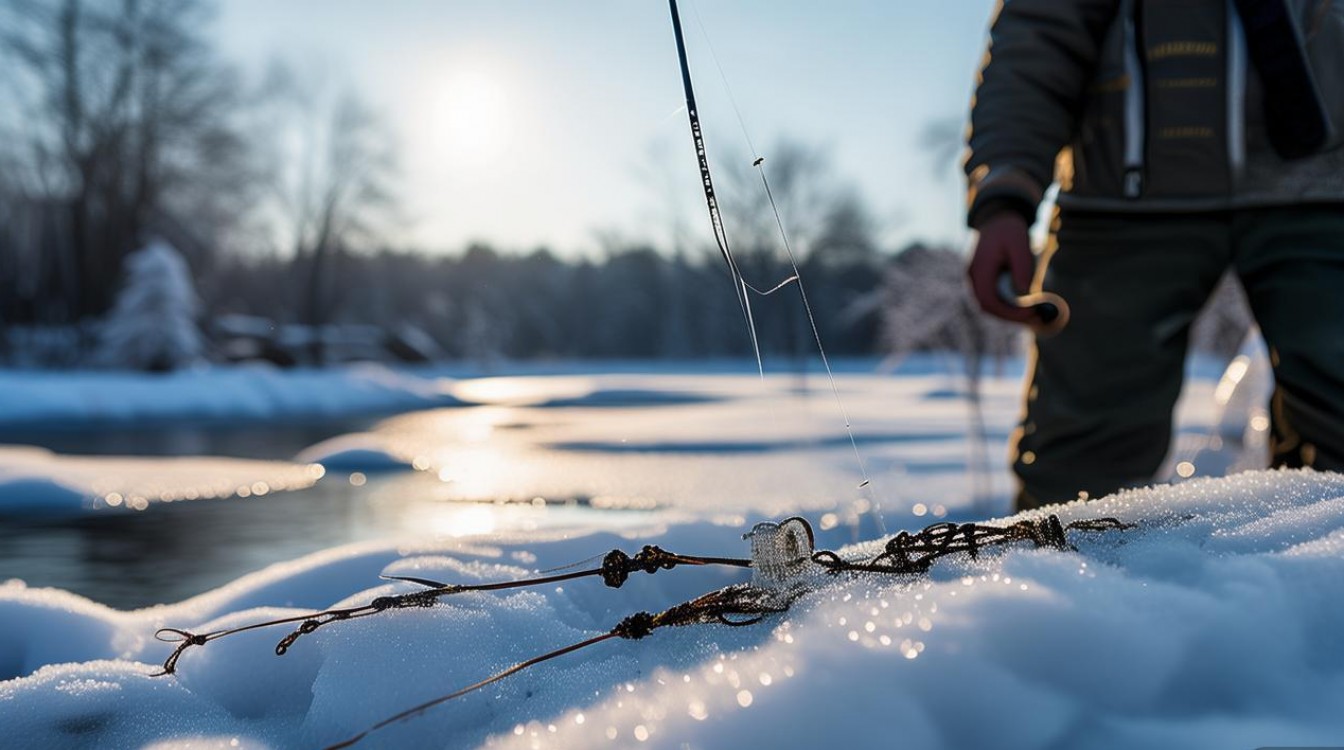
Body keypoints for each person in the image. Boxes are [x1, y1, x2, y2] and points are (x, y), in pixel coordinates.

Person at [963, 0, 1344, 509]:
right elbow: (1040, 29)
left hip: (1326, 184)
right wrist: (1005, 191)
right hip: (1121, 195)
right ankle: (1067, 586)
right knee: (1077, 482)